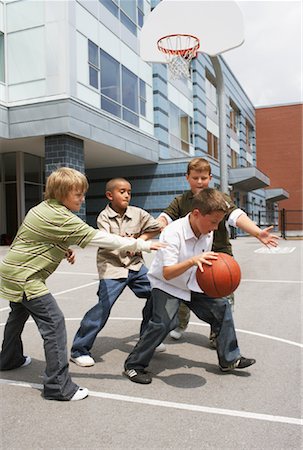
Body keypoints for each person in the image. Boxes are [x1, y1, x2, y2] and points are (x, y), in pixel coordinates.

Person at [0, 168, 164, 401]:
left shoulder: (42, 209)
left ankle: (9, 359)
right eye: (78, 194)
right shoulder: (62, 217)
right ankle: (57, 386)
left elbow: (30, 237)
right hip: (27, 278)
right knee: (54, 323)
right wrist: (143, 245)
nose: (83, 198)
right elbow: (99, 238)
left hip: (12, 273)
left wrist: (62, 247)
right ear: (62, 193)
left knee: (17, 316)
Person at [123, 188, 256, 384]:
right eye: (212, 221)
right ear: (196, 214)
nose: (215, 227)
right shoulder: (172, 233)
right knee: (163, 323)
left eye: (219, 222)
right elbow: (168, 272)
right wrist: (193, 261)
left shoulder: (207, 231)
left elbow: (203, 262)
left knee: (222, 307)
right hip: (166, 284)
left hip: (192, 281)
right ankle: (133, 366)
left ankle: (229, 359)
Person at [156, 157, 279, 346]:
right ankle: (180, 323)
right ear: (187, 177)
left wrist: (257, 232)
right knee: (181, 292)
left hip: (219, 254)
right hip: (191, 255)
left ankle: (217, 334)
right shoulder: (181, 200)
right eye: (195, 177)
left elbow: (236, 215)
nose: (199, 182)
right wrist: (148, 233)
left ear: (210, 178)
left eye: (203, 178)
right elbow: (164, 218)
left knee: (221, 294)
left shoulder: (219, 198)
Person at [70, 177, 163, 368]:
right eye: (122, 191)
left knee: (158, 293)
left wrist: (141, 239)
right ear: (109, 195)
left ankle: (147, 339)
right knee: (103, 308)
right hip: (112, 268)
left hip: (135, 266)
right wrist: (129, 244)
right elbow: (107, 241)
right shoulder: (103, 217)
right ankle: (79, 350)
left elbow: (156, 227)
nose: (127, 195)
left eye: (129, 191)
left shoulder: (138, 213)